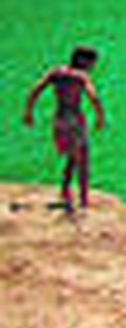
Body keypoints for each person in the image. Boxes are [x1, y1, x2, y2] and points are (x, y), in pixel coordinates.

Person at [22, 46, 106, 212]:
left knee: (72, 157)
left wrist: (29, 112)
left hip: (59, 119)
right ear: (83, 61)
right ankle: (83, 201)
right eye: (92, 62)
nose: (93, 67)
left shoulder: (57, 73)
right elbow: (94, 97)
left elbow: (36, 90)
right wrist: (100, 117)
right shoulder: (81, 77)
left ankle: (65, 191)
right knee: (83, 159)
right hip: (74, 119)